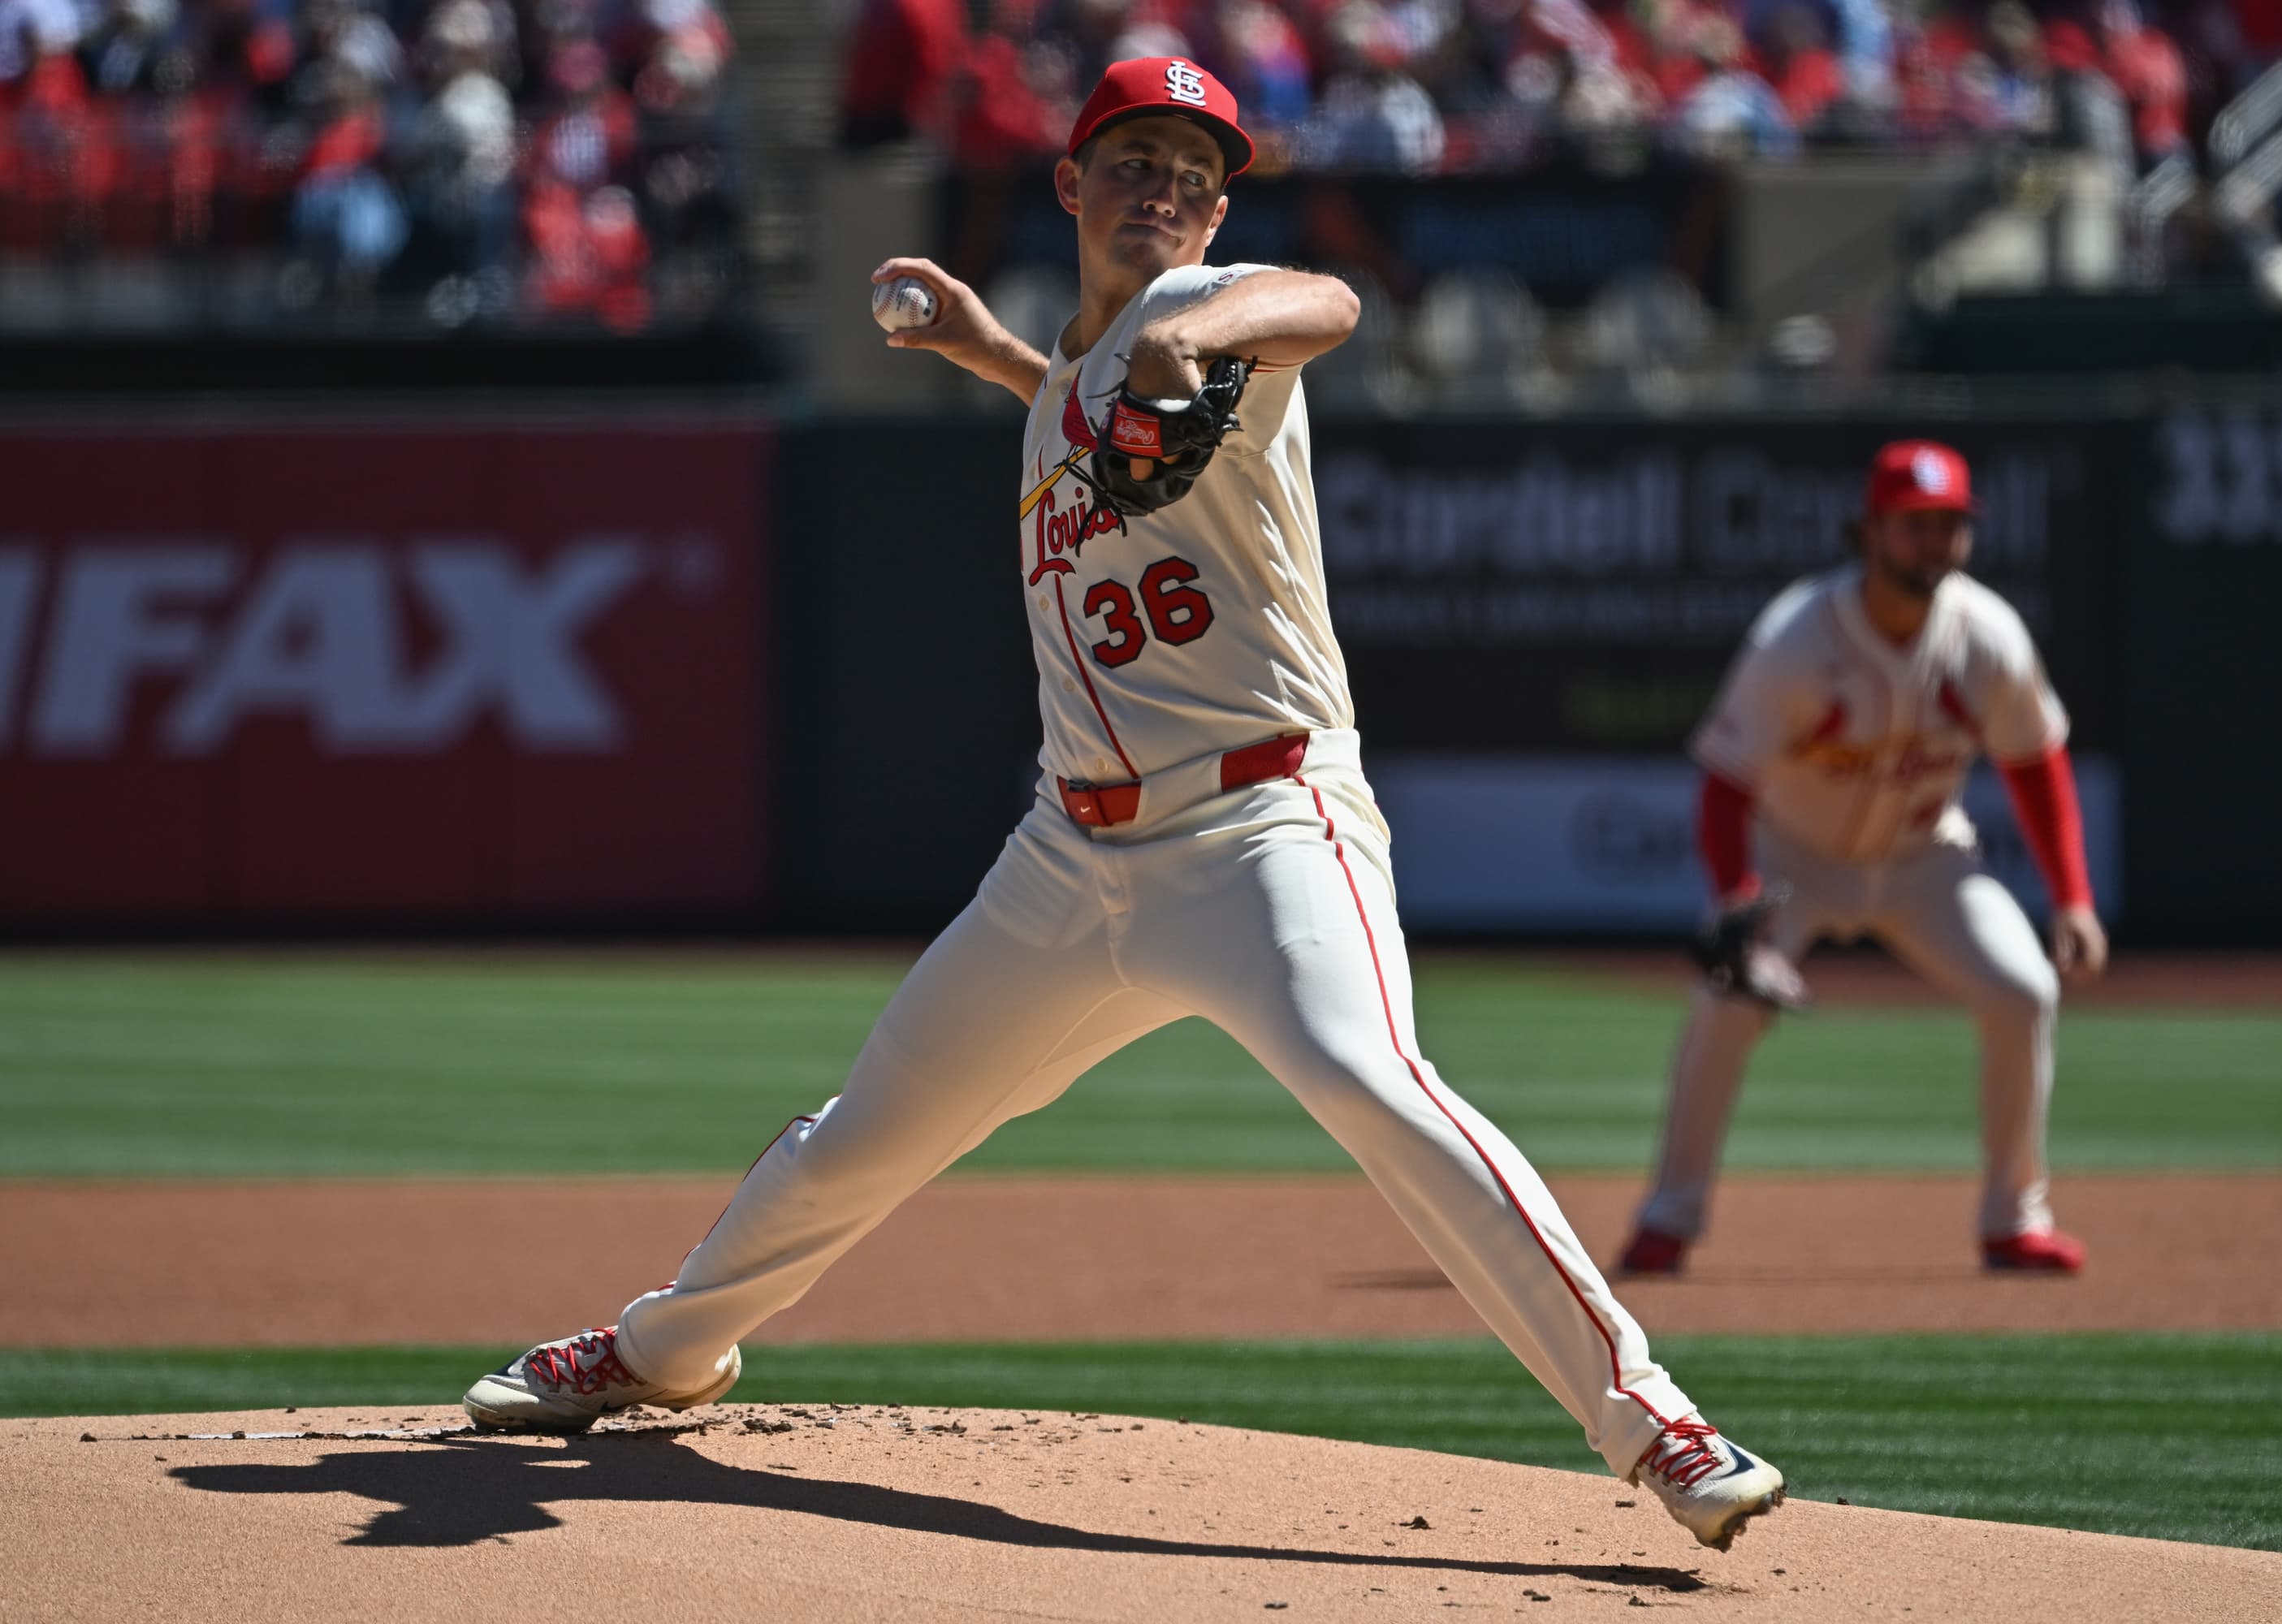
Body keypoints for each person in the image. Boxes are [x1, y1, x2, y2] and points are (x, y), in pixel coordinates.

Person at [461, 54, 1784, 1554]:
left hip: (1261, 829)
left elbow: (1329, 304)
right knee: (866, 1133)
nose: (1167, 191)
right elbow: (1082, 406)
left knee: (1377, 1086)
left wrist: (1193, 328)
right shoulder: (1076, 386)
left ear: (1217, 219)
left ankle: (1655, 1424)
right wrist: (990, 352)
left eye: (1195, 177)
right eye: (1136, 162)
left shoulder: (1203, 316)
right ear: (1071, 184)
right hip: (1068, 860)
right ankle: (662, 1350)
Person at [1617, 440, 2107, 1279]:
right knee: (1726, 1001)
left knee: (2024, 990)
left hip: (1924, 858)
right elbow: (1727, 783)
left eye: (1949, 525)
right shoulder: (1797, 636)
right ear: (1870, 531)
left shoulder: (1987, 634)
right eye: (1914, 525)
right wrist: (1738, 898)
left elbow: (2037, 763)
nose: (1934, 543)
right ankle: (1668, 1218)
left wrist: (2073, 897)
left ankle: (2014, 1219)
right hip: (1792, 859)